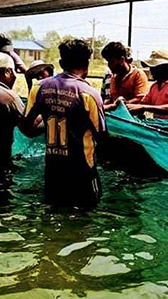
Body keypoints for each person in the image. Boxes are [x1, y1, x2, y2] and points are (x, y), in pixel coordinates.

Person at [20, 39, 106, 208]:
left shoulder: (40, 88)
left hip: (53, 170)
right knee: (86, 219)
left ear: (60, 63)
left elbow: (25, 126)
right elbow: (102, 137)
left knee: (53, 212)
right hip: (83, 171)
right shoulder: (89, 94)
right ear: (87, 64)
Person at [121, 49, 168, 122]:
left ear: (165, 67)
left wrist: (143, 107)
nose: (151, 71)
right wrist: (126, 106)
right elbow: (143, 103)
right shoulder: (154, 86)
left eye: (154, 68)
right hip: (157, 126)